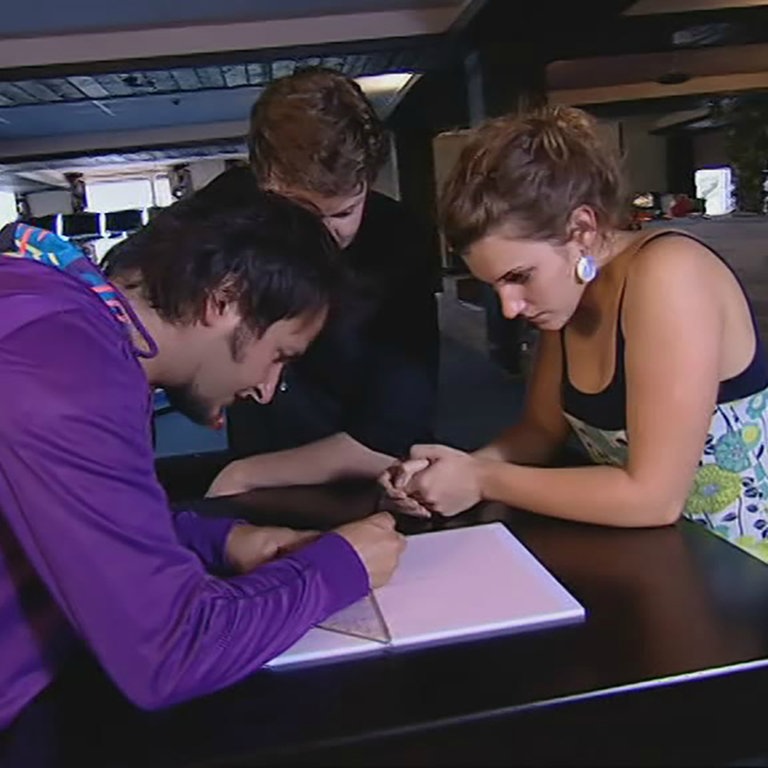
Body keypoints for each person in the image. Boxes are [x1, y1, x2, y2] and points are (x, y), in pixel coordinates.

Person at [0, 194, 405, 732]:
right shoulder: (64, 372)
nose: (266, 389)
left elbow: (79, 521)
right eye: (279, 355)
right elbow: (170, 651)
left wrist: (221, 540)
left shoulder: (49, 312)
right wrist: (340, 567)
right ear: (225, 300)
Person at [380, 105, 768, 563]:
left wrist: (482, 479)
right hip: (666, 558)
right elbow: (540, 432)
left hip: (746, 568)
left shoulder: (669, 275)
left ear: (582, 229)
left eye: (520, 276)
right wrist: (444, 473)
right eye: (495, 286)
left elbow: (653, 498)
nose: (510, 307)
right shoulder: (569, 298)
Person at [193, 67, 439, 497]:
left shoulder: (400, 241)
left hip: (369, 485)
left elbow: (392, 433)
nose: (321, 236)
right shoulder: (222, 211)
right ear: (263, 180)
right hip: (258, 460)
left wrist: (245, 475)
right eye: (301, 212)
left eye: (343, 213)